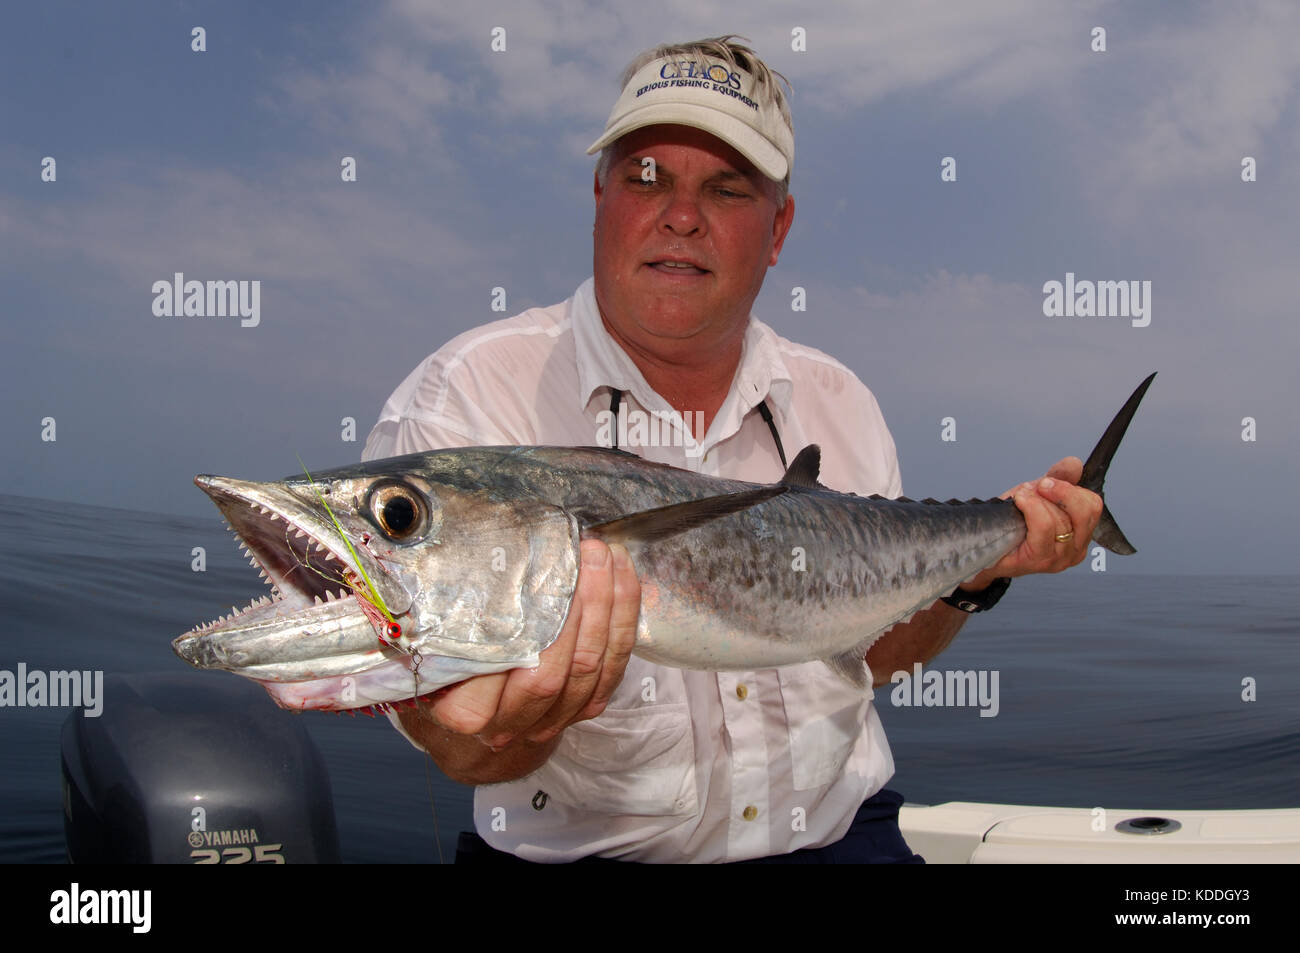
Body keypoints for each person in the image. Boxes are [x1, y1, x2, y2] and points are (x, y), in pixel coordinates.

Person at [362, 36, 1102, 863]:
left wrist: (978, 575)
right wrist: (512, 722)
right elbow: (453, 741)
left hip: (839, 842)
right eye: (646, 178)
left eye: (726, 187)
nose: (681, 215)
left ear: (778, 228)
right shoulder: (468, 396)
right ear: (598, 195)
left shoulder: (840, 402)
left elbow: (874, 654)